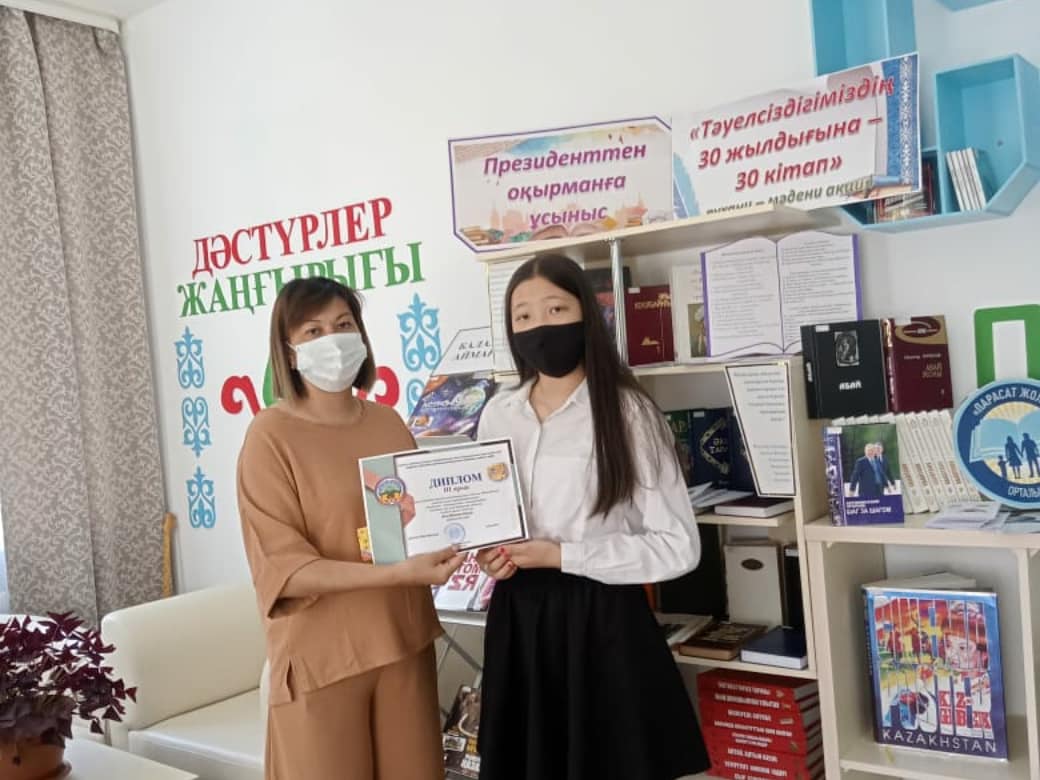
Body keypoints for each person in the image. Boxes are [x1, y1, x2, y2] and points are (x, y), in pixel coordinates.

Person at [474, 254, 710, 780]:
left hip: (601, 619)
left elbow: (679, 546)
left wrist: (564, 556)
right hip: (519, 617)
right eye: (523, 316)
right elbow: (490, 519)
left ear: (586, 314)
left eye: (556, 309)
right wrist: (491, 556)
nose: (540, 326)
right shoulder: (498, 413)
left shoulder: (628, 412)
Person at [237, 277, 465, 780]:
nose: (333, 340)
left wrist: (462, 537)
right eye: (313, 331)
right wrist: (397, 574)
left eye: (343, 325)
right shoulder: (269, 436)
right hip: (323, 657)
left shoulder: (388, 423)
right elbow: (287, 570)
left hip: (402, 642)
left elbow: (416, 522)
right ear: (289, 351)